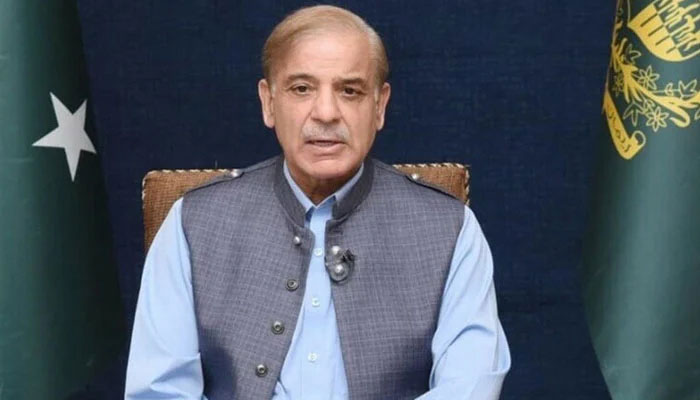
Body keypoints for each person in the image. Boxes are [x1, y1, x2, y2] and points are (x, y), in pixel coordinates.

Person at [125, 5, 510, 400]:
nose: (326, 113)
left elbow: (469, 387)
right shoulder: (193, 222)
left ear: (379, 106)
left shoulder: (451, 229)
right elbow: (159, 391)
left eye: (350, 91)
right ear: (269, 102)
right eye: (301, 89)